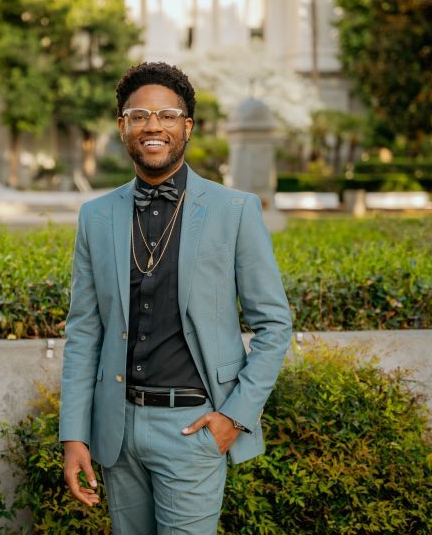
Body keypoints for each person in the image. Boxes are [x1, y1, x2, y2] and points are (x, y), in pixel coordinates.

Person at [59, 61, 292, 534]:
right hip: (116, 432)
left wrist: (234, 417)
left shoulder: (235, 210)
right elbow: (84, 331)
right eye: (138, 114)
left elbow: (274, 324)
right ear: (123, 126)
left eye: (167, 115)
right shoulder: (96, 217)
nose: (153, 125)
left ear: (186, 126)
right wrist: (74, 435)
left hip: (193, 429)